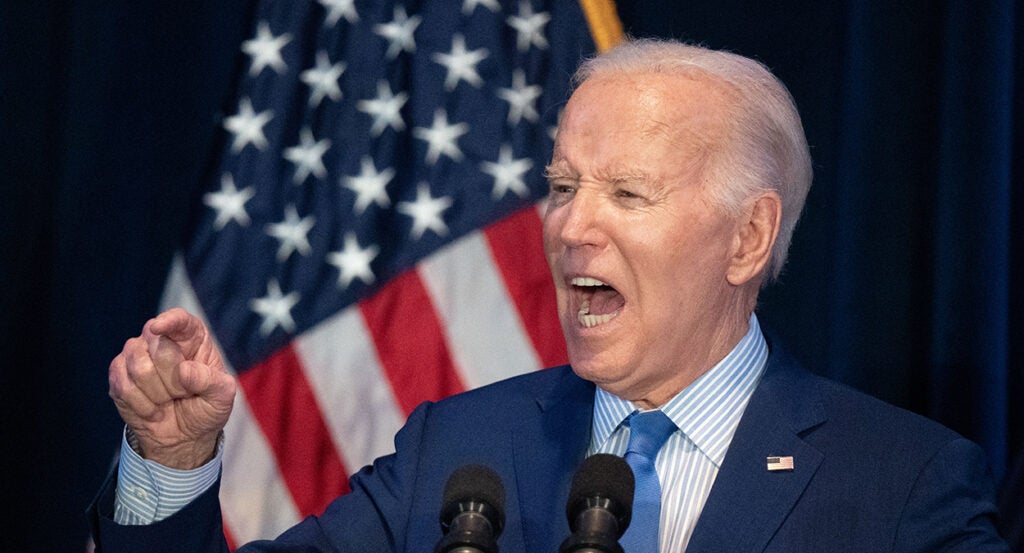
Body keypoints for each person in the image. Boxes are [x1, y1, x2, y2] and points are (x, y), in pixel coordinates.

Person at [88, 38, 1009, 552]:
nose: (570, 227)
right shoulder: (460, 450)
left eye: (627, 194)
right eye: (564, 186)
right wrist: (171, 463)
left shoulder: (903, 485)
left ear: (748, 238)